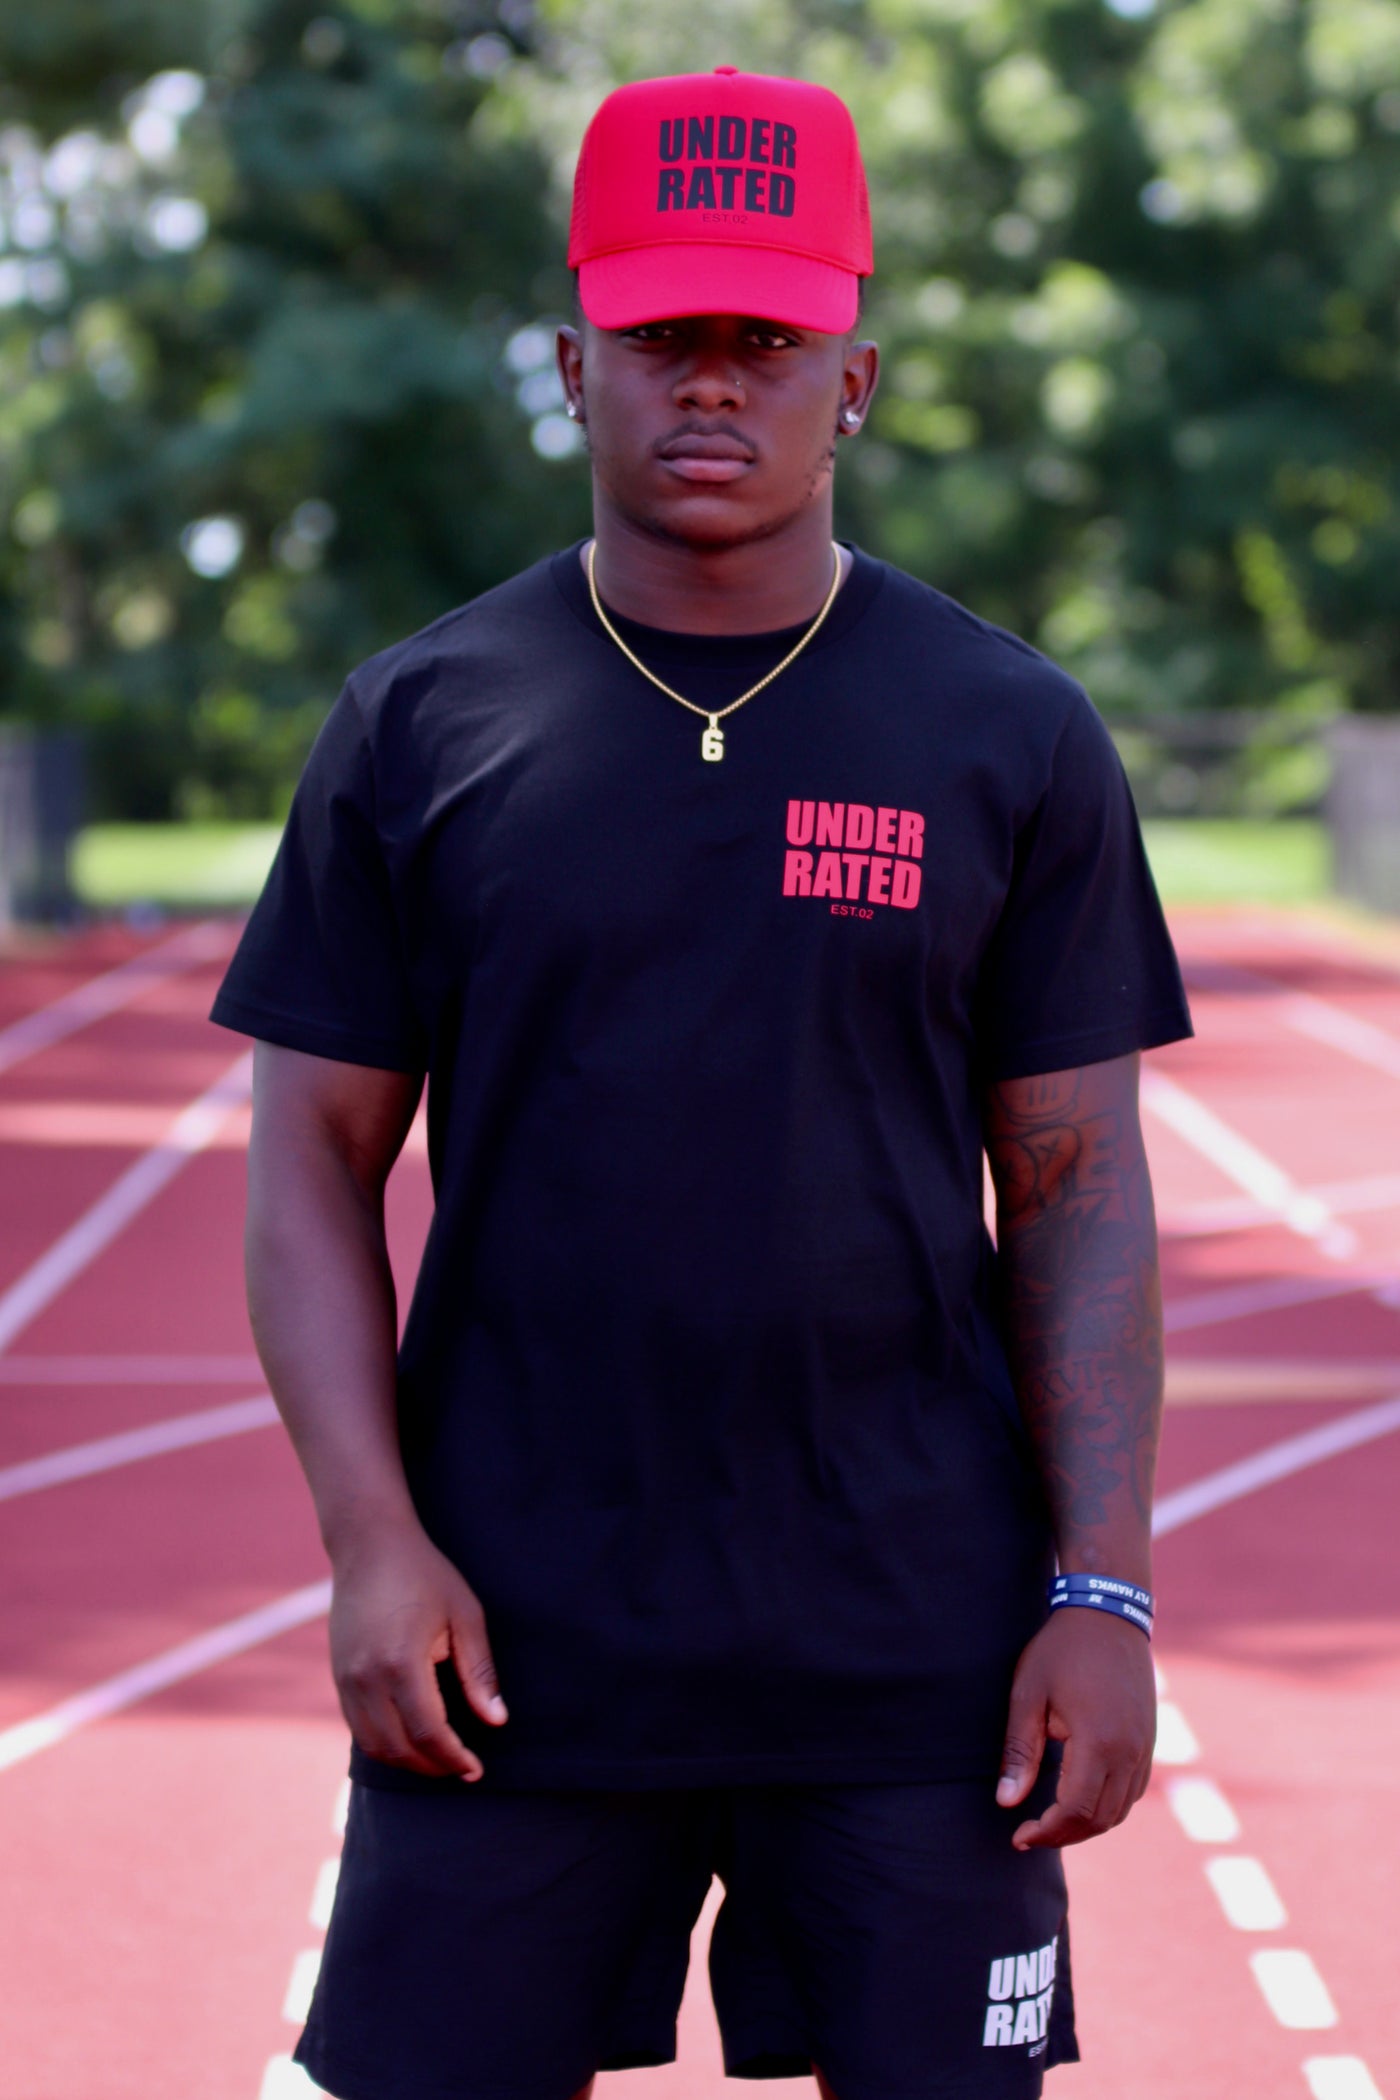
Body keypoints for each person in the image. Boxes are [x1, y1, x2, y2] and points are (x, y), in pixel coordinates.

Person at [209, 64, 1192, 2100]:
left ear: (855, 378)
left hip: (919, 1648)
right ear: (574, 363)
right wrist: (369, 1545)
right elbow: (310, 1157)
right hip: (513, 1637)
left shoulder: (1008, 729)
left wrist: (1101, 1587)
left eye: (767, 339)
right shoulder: (417, 723)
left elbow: (1078, 1179)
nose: (711, 384)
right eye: (664, 338)